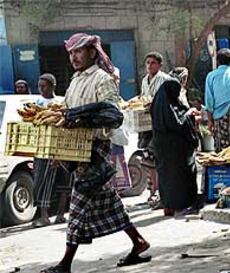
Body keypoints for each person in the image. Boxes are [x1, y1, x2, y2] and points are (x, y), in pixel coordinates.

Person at [39, 33, 150, 273]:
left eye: (78, 51)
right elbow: (66, 114)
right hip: (77, 152)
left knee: (78, 207)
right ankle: (138, 242)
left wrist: (81, 117)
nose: (73, 57)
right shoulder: (76, 81)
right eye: (70, 53)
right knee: (111, 205)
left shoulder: (102, 79)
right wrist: (59, 150)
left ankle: (65, 264)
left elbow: (111, 115)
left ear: (91, 52)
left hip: (95, 151)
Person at [150, 79, 200, 217]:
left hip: (162, 148)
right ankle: (181, 205)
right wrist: (189, 113)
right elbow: (178, 124)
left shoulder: (159, 105)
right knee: (180, 177)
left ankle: (168, 205)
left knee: (166, 177)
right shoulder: (170, 108)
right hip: (177, 150)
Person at [32, 73, 71, 228]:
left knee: (64, 182)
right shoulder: (37, 103)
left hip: (61, 148)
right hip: (43, 149)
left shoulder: (61, 102)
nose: (41, 89)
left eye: (44, 86)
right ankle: (44, 216)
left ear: (52, 86)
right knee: (43, 183)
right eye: (39, 86)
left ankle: (61, 214)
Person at [138, 51, 170, 149]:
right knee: (144, 147)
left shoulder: (165, 79)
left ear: (160, 65)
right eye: (147, 63)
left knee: (158, 148)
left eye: (153, 63)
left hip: (160, 120)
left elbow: (167, 100)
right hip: (146, 121)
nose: (149, 65)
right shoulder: (144, 80)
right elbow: (143, 96)